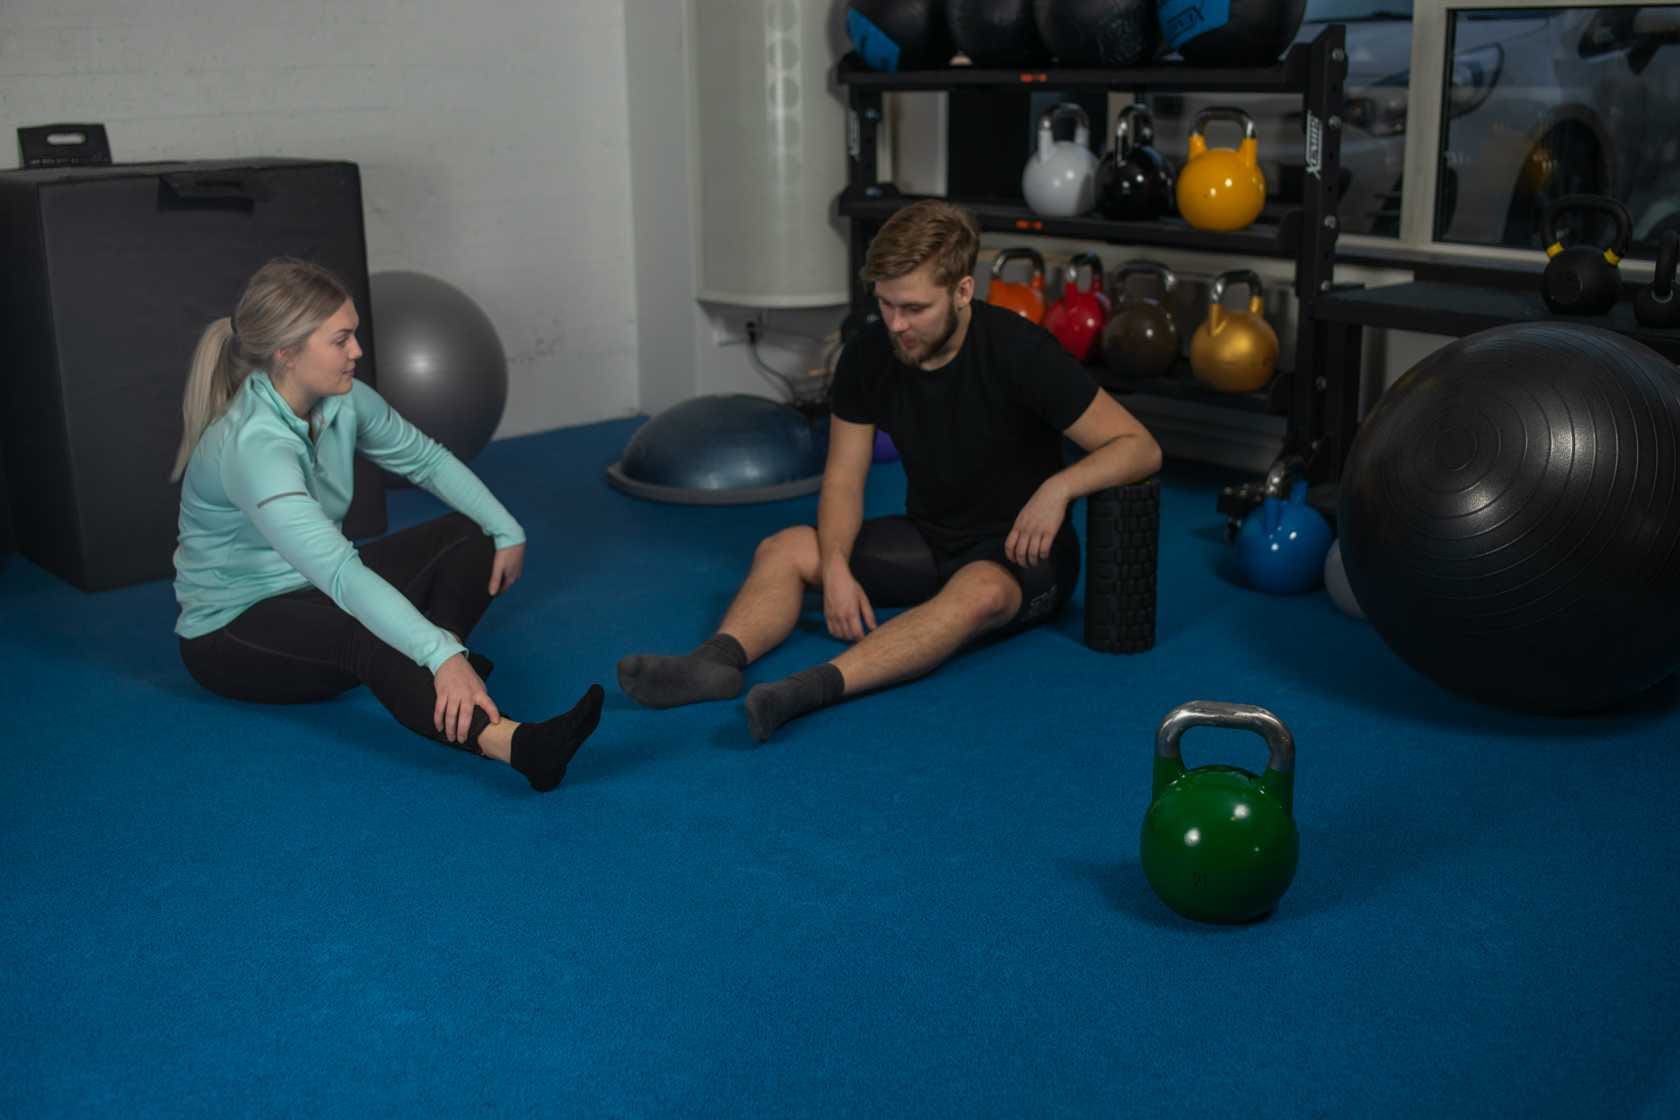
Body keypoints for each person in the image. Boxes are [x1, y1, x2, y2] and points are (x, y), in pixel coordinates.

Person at [618, 201, 1162, 741]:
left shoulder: (1022, 351)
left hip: (1022, 555)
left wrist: (1059, 488)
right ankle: (714, 662)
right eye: (886, 304)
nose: (897, 325)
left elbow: (1139, 446)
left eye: (915, 308)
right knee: (784, 548)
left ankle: (805, 690)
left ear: (963, 291)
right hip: (930, 537)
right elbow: (843, 479)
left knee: (979, 593)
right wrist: (835, 565)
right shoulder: (868, 355)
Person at [171, 258, 602, 792]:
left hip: (312, 588)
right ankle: (518, 744)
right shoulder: (252, 447)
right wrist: (439, 653)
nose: (358, 351)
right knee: (368, 634)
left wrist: (507, 528)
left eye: (354, 335)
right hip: (232, 632)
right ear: (287, 352)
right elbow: (339, 573)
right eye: (341, 340)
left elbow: (426, 460)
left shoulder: (342, 400)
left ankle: (435, 675)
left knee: (472, 536)